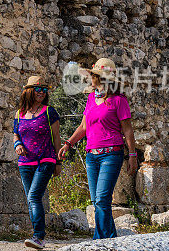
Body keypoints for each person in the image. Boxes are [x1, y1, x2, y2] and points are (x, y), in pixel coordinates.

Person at [57, 58, 138, 239]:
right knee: (96, 201)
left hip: (111, 154)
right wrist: (68, 143)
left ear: (101, 78)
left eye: (93, 75)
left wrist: (132, 155)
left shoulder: (119, 100)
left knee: (102, 199)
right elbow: (83, 127)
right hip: (91, 156)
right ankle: (110, 239)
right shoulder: (91, 100)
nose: (91, 78)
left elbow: (128, 130)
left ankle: (99, 240)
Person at [13, 76, 61, 250]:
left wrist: (58, 161)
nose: (42, 93)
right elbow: (16, 133)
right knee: (31, 198)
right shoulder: (19, 113)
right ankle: (37, 234)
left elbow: (57, 138)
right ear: (29, 91)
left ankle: (38, 236)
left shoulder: (50, 112)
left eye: (44, 90)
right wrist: (17, 144)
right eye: (38, 89)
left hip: (45, 159)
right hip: (25, 162)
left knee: (33, 196)